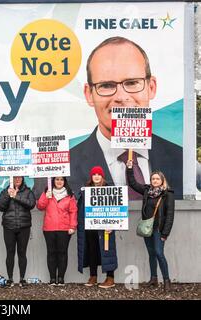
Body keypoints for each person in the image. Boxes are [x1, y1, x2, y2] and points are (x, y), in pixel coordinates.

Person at [34, 36, 182, 199]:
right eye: (106, 86)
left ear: (151, 87)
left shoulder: (183, 162)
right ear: (89, 94)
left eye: (132, 83)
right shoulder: (56, 173)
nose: (121, 96)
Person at [126, 159, 175, 291]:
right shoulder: (147, 191)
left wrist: (165, 233)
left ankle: (167, 281)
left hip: (159, 230)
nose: (154, 181)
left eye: (157, 179)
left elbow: (170, 216)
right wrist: (129, 168)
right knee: (151, 253)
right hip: (147, 229)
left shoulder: (167, 194)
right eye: (153, 179)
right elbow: (133, 183)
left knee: (159, 253)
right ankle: (153, 279)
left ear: (162, 180)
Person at [77, 166, 117, 289]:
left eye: (99, 174)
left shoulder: (109, 190)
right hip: (90, 226)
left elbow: (116, 209)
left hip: (106, 226)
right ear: (91, 177)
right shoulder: (86, 191)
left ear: (102, 176)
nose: (96, 176)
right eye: (94, 174)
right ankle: (93, 276)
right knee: (92, 250)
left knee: (108, 251)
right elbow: (81, 209)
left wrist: (113, 225)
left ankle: (110, 278)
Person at [36, 177, 77, 286]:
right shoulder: (47, 192)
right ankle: (52, 279)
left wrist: (73, 226)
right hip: (49, 229)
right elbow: (40, 206)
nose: (59, 181)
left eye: (61, 179)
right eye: (57, 179)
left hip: (64, 229)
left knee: (62, 253)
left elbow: (73, 211)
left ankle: (61, 278)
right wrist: (46, 196)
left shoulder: (70, 195)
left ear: (65, 182)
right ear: (53, 181)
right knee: (51, 253)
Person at [0, 176, 36, 287]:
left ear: (23, 179)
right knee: (10, 253)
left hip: (24, 227)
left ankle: (22, 279)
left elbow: (31, 204)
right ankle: (10, 279)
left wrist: (16, 196)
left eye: (19, 177)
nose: (17, 179)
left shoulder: (28, 191)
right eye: (15, 177)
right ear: (11, 179)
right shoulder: (5, 191)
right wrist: (8, 196)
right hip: (9, 226)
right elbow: (0, 206)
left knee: (22, 253)